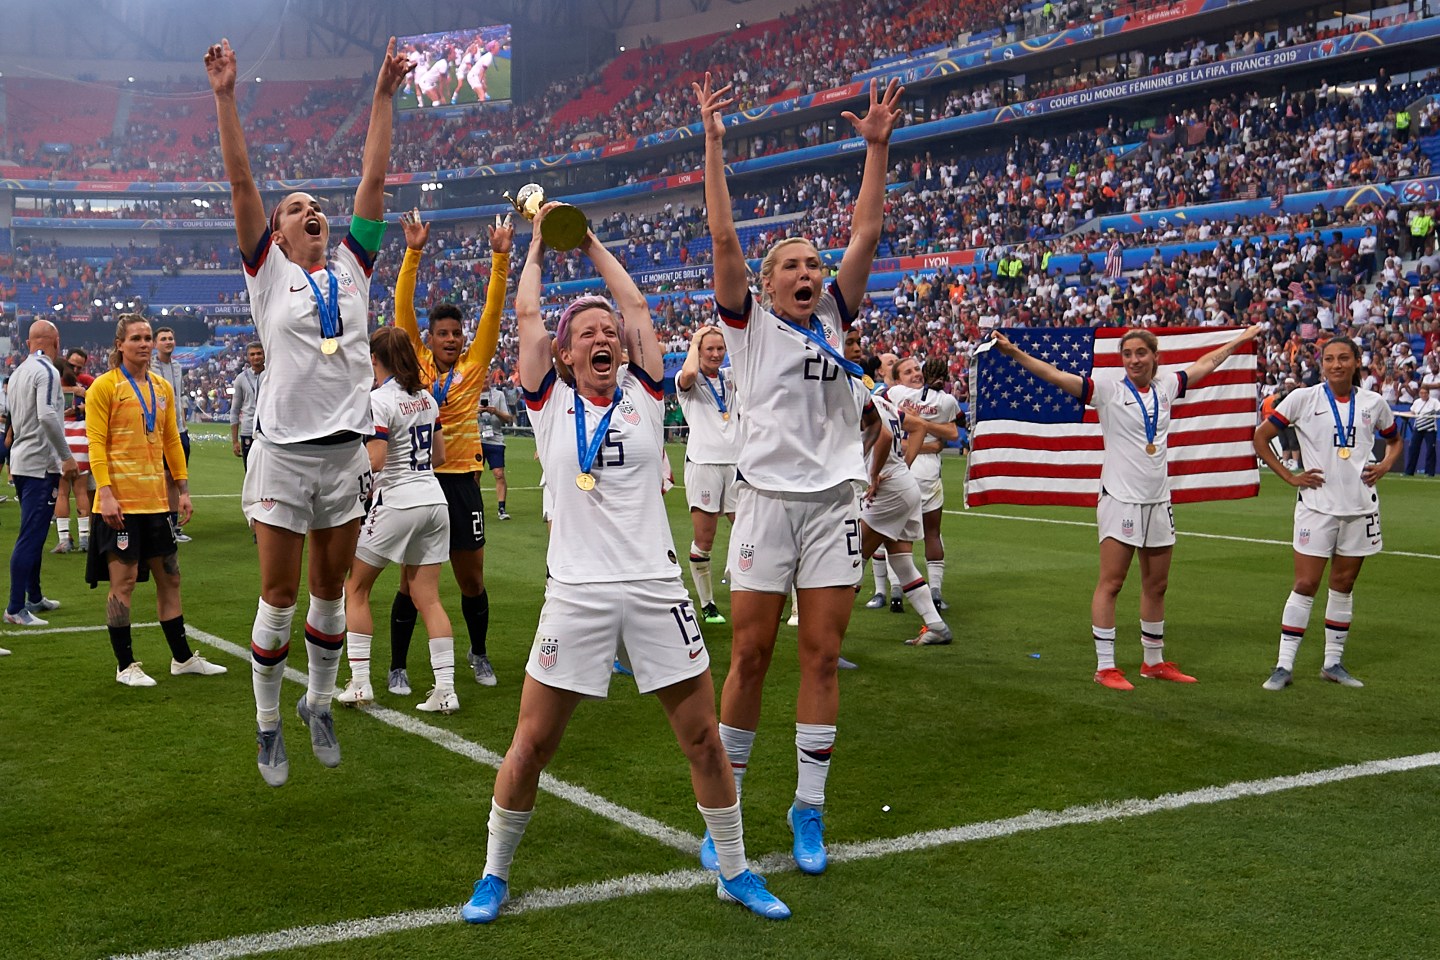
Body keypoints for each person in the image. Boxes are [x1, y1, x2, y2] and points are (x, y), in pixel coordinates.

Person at [460, 202, 789, 924]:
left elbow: (636, 302)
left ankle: (734, 870)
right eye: (589, 334)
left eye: (610, 331)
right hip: (575, 594)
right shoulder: (547, 405)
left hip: (654, 587)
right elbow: (527, 318)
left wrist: (590, 236)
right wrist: (541, 248)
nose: (604, 337)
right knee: (532, 744)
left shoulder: (642, 393)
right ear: (567, 354)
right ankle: (493, 874)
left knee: (703, 739)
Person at [696, 72, 903, 875]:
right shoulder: (745, 327)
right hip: (767, 506)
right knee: (749, 657)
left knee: (820, 656)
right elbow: (722, 240)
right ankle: (729, 814)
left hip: (831, 508)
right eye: (793, 263)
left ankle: (808, 810)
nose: (809, 269)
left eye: (814, 262)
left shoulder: (833, 317)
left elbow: (868, 231)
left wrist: (876, 148)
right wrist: (714, 144)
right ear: (769, 279)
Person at [207, 36, 411, 787]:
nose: (309, 213)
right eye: (296, 209)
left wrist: (383, 95)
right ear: (279, 235)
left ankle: (318, 704)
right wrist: (227, 97)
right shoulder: (268, 277)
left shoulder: (355, 267)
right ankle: (266, 723)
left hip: (346, 455)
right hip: (285, 456)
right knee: (282, 595)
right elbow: (239, 186)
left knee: (331, 592)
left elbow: (374, 177)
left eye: (315, 207)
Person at [991, 324, 1261, 690]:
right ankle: (1105, 667)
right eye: (1128, 354)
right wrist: (1016, 354)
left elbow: (1205, 364)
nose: (1134, 359)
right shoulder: (1107, 390)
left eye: (1141, 353)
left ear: (1155, 357)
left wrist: (1241, 340)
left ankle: (1153, 662)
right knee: (1112, 582)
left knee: (1157, 584)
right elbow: (1053, 375)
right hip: (1120, 498)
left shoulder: (1167, 387)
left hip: (1158, 500)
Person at [392, 209, 511, 691]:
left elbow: (491, 312)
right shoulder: (415, 363)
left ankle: (478, 654)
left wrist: (499, 259)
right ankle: (397, 665)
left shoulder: (474, 365)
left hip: (462, 481)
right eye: (442, 334)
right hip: (420, 480)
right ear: (428, 338)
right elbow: (402, 304)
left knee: (472, 580)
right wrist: (413, 252)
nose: (450, 340)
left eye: (455, 335)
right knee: (411, 582)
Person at [1253, 337, 1403, 690]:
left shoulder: (1374, 402)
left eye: (1344, 358)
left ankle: (1332, 663)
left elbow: (1394, 439)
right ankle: (1283, 665)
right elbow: (1261, 436)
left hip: (1361, 507)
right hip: (1317, 507)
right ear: (1322, 364)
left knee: (1344, 585)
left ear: (1356, 362)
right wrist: (1289, 476)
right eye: (1330, 359)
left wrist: (1385, 465)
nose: (1336, 364)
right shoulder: (1303, 398)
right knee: (1305, 584)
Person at [85, 315, 226, 686]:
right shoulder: (105, 387)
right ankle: (125, 665)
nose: (144, 344)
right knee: (125, 582)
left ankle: (181, 658)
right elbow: (96, 444)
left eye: (148, 337)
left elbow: (171, 442)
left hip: (156, 503)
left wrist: (183, 488)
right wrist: (106, 492)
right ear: (120, 345)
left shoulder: (162, 387)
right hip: (120, 505)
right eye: (136, 338)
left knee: (172, 578)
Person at [338, 328, 457, 713]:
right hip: (435, 501)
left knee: (355, 589)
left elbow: (375, 459)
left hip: (398, 501)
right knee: (429, 597)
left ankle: (359, 684)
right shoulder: (426, 398)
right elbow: (439, 456)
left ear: (376, 359)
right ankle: (446, 689)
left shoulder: (378, 400)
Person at [846, 331, 952, 645]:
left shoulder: (864, 401)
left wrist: (876, 474)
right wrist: (904, 464)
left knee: (850, 562)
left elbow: (884, 438)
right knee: (901, 559)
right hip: (905, 486)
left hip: (889, 489)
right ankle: (936, 626)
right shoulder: (886, 403)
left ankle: (827, 641)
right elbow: (919, 426)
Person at [5, 319, 79, 627]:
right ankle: (14, 608)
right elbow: (48, 416)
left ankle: (34, 596)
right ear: (56, 342)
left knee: (32, 533)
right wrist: (66, 457)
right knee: (31, 536)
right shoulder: (48, 370)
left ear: (29, 343)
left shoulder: (19, 371)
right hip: (39, 465)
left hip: (22, 461)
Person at [675, 324, 740, 625]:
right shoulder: (687, 381)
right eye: (709, 349)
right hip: (704, 464)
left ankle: (742, 580)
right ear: (699, 351)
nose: (716, 354)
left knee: (749, 529)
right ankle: (707, 604)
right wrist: (694, 343)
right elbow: (688, 374)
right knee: (705, 538)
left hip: (737, 464)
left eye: (720, 349)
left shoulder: (729, 377)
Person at [887, 357, 962, 612]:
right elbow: (952, 433)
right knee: (932, 532)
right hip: (928, 466)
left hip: (902, 465)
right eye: (909, 371)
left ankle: (896, 589)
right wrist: (929, 434)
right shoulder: (947, 401)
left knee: (896, 533)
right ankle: (935, 592)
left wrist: (917, 422)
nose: (915, 373)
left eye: (918, 369)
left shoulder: (897, 393)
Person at [150, 327, 192, 543]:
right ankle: (162, 524)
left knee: (177, 477)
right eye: (163, 339)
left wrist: (183, 424)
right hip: (159, 431)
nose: (168, 341)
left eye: (171, 338)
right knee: (163, 477)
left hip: (179, 430)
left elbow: (178, 397)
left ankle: (173, 526)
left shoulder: (177, 367)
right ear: (156, 344)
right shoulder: (150, 367)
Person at [52, 359, 93, 554]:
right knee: (82, 492)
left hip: (62, 438)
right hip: (81, 438)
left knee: (62, 493)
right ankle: (85, 539)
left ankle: (64, 540)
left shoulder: (52, 389)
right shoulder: (81, 390)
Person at [478, 385, 515, 520]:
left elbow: (508, 418)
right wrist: (476, 411)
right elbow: (461, 415)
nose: (485, 379)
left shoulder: (498, 395)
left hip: (495, 439)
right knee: (475, 476)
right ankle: (476, 507)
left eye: (487, 376)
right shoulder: (471, 391)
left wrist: (495, 411)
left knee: (499, 474)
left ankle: (501, 508)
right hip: (476, 440)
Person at [229, 341, 265, 469]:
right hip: (249, 430)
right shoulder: (241, 378)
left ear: (264, 354)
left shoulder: (273, 375)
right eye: (253, 354)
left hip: (270, 430)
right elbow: (234, 410)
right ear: (248, 357)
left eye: (259, 353)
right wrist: (234, 441)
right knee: (250, 471)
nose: (256, 357)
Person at [1404, 385, 1438, 476]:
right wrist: (1402, 414)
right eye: (1421, 393)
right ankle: (1409, 471)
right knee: (1413, 449)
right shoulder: (1417, 402)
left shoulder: (1434, 402)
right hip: (1418, 428)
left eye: (1425, 393)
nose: (1423, 395)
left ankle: (1430, 472)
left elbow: (1438, 411)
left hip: (1430, 429)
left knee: (1430, 449)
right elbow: (1412, 412)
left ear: (1428, 393)